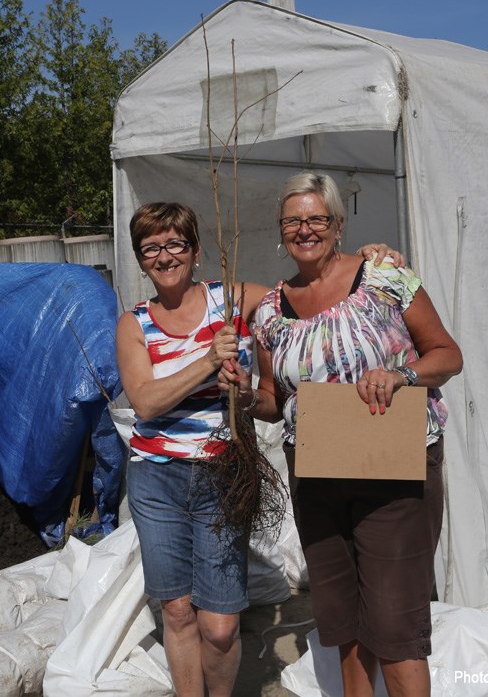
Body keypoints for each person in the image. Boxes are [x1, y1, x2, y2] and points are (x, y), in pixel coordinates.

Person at [115, 201, 405, 697]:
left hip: (224, 474)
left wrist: (362, 261)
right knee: (177, 611)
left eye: (175, 244)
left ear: (196, 250)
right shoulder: (133, 324)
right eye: (151, 248)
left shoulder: (232, 298)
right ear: (141, 259)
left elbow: (309, 292)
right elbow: (145, 402)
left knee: (220, 625)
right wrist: (209, 360)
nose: (164, 256)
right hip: (156, 478)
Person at [219, 173, 463, 696]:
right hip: (318, 476)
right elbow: (274, 400)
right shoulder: (270, 312)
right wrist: (244, 396)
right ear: (280, 230)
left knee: (395, 625)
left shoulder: (383, 277)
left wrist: (402, 375)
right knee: (343, 621)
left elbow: (447, 355)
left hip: (394, 468)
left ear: (337, 224)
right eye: (293, 220)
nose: (304, 229)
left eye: (316, 218)